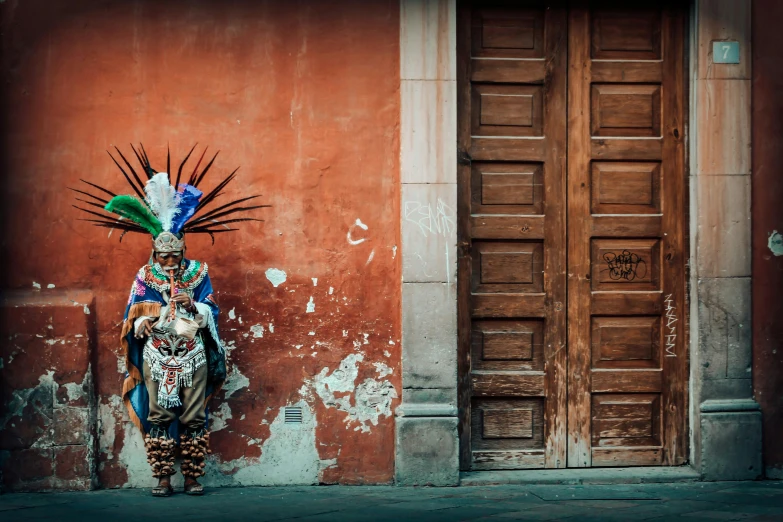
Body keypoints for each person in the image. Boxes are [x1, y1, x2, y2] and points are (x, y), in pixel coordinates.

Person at [73, 144, 266, 496]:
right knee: (159, 414)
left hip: (191, 351)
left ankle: (192, 476)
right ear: (154, 252)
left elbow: (212, 310)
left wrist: (193, 305)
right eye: (164, 257)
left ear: (183, 250)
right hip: (157, 354)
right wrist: (142, 323)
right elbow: (133, 313)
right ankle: (162, 477)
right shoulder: (145, 276)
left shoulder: (198, 273)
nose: (170, 263)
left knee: (193, 415)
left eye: (175, 256)